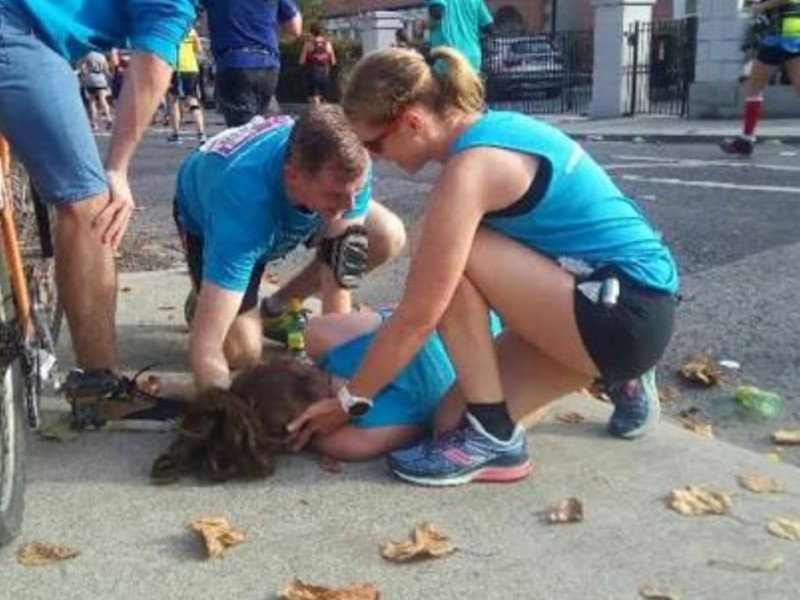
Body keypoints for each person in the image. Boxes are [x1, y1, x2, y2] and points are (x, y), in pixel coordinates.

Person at [286, 47, 680, 487]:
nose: (374, 157)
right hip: (621, 300)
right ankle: (620, 376)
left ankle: (496, 437)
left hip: (621, 315)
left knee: (442, 249)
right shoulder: (494, 130)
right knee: (450, 426)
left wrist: (348, 401)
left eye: (374, 143)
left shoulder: (472, 170)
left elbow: (419, 317)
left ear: (412, 122)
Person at [0, 0, 196, 428]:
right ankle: (100, 387)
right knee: (90, 203)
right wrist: (117, 169)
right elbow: (151, 66)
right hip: (16, 32)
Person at [173, 105, 406, 393]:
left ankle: (276, 307)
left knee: (384, 233)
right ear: (293, 175)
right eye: (336, 195)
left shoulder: (350, 169)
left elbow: (339, 275)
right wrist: (224, 413)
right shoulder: (242, 203)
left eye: (355, 193)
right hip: (214, 216)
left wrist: (334, 380)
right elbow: (206, 346)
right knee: (241, 353)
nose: (350, 206)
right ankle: (206, 298)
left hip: (293, 203)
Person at [154, 307, 502, 482]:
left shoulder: (346, 442)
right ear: (293, 365)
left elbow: (418, 427)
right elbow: (396, 315)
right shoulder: (325, 336)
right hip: (475, 312)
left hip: (502, 365)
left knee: (448, 423)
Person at [202, 0, 303, 127]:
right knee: (267, 125)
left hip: (234, 61)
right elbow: (295, 28)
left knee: (243, 132)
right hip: (267, 61)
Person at [721, 0, 800, 156]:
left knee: (754, 88)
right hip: (790, 32)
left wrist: (761, 7)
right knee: (756, 87)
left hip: (781, 34)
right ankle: (746, 140)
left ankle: (746, 140)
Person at [166, 26, 208, 145]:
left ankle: (175, 133)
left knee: (173, 100)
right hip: (191, 68)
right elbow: (198, 49)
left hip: (176, 68)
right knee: (193, 100)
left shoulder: (172, 30)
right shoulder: (191, 30)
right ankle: (201, 133)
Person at [426, 0, 493, 73]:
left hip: (448, 57)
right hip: (473, 58)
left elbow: (437, 11)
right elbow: (489, 26)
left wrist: (425, 24)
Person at [298, 22, 336, 106]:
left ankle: (316, 115)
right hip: (325, 73)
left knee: (314, 99)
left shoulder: (308, 43)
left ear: (312, 32)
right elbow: (333, 61)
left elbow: (301, 61)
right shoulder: (328, 44)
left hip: (312, 73)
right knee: (325, 98)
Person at [80, 51, 114, 131]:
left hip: (91, 78)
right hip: (101, 78)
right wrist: (109, 79)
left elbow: (83, 67)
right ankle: (109, 118)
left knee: (92, 101)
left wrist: (84, 77)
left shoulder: (88, 55)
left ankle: (94, 123)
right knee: (103, 99)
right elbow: (106, 69)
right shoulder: (102, 56)